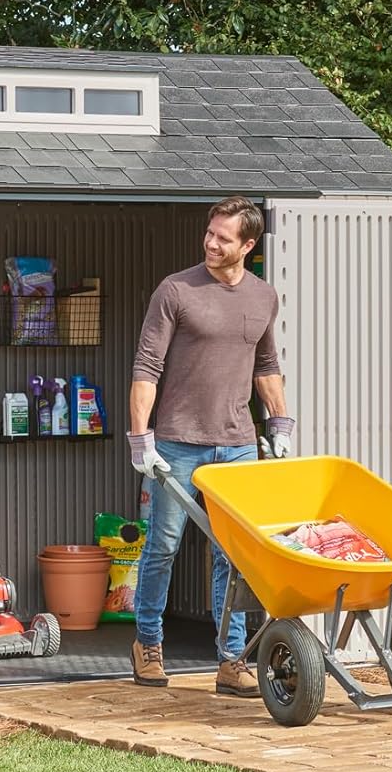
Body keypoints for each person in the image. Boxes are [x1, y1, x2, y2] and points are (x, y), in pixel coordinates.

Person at [126, 195, 293, 697]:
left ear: (248, 244)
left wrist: (280, 423)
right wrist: (141, 438)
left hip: (238, 443)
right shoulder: (176, 290)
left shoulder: (263, 297)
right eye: (210, 233)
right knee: (163, 547)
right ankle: (147, 644)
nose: (211, 243)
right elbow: (146, 367)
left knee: (233, 555)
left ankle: (231, 659)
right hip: (177, 443)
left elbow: (266, 365)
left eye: (224, 237)